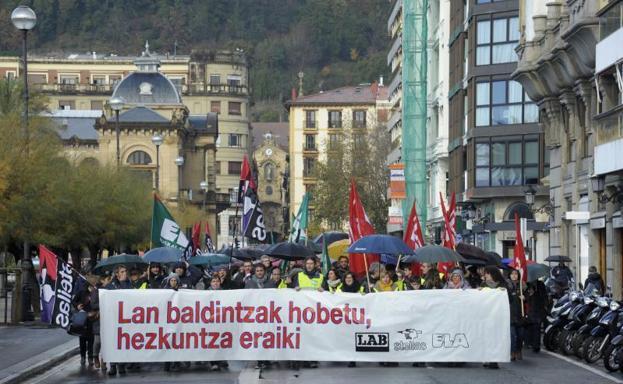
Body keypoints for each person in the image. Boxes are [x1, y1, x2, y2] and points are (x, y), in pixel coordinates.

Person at [291, 257, 323, 369]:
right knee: (301, 335)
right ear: (305, 265)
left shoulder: (321, 277)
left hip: (315, 312)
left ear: (315, 265)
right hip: (301, 311)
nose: (309, 265)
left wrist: (323, 291)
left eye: (311, 263)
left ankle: (312, 359)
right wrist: (295, 289)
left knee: (313, 336)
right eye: (307, 263)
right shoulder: (299, 276)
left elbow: (327, 294)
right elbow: (291, 291)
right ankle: (299, 359)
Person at [481, 265, 509, 369]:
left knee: (496, 338)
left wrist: (504, 292)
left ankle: (494, 360)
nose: (486, 275)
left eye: (487, 273)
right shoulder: (483, 284)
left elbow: (509, 299)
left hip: (497, 317)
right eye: (485, 273)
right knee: (486, 337)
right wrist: (478, 292)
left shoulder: (502, 285)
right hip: (485, 316)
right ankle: (486, 358)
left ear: (493, 274)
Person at [105, 265, 131, 375]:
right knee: (112, 342)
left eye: (125, 271)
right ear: (117, 274)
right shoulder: (110, 286)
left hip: (125, 318)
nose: (125, 273)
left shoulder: (129, 284)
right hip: (112, 318)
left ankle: (121, 365)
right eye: (122, 271)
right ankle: (112, 366)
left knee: (123, 342)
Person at [72, 273, 98, 367]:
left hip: (92, 318)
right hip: (83, 319)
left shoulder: (96, 291)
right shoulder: (82, 292)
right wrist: (77, 306)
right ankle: (83, 357)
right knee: (82, 339)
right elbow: (74, 301)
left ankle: (90, 357)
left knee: (91, 340)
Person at [526, 279, 548, 352]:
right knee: (530, 327)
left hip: (539, 309)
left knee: (537, 327)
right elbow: (525, 297)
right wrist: (530, 294)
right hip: (530, 309)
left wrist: (545, 305)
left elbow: (545, 295)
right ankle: (529, 342)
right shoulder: (526, 284)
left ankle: (536, 346)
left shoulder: (540, 284)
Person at [507, 269, 524, 361]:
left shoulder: (522, 286)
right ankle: (512, 352)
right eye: (512, 274)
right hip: (510, 315)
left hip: (520, 315)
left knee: (521, 335)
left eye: (516, 274)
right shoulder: (506, 287)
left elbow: (530, 297)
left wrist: (525, 298)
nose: (514, 275)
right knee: (512, 336)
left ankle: (519, 350)